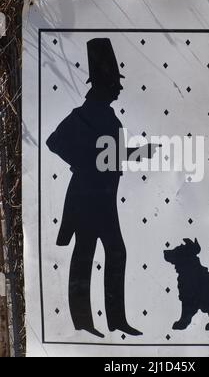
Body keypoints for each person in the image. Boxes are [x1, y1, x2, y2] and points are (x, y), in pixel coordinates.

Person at [47, 38, 158, 338]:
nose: (119, 88)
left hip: (104, 199)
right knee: (87, 253)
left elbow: (108, 156)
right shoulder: (84, 114)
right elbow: (54, 142)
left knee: (113, 252)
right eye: (115, 82)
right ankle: (84, 321)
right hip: (87, 198)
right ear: (103, 84)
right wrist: (84, 164)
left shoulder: (106, 115)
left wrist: (137, 153)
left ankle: (114, 320)